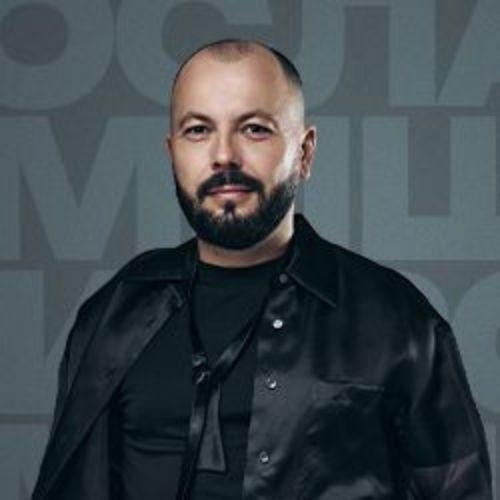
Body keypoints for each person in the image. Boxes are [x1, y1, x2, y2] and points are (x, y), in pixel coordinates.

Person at [31, 39, 492, 500]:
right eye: (198, 130)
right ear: (172, 153)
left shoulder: (396, 318)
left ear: (305, 153)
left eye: (254, 129)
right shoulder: (114, 310)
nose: (224, 155)